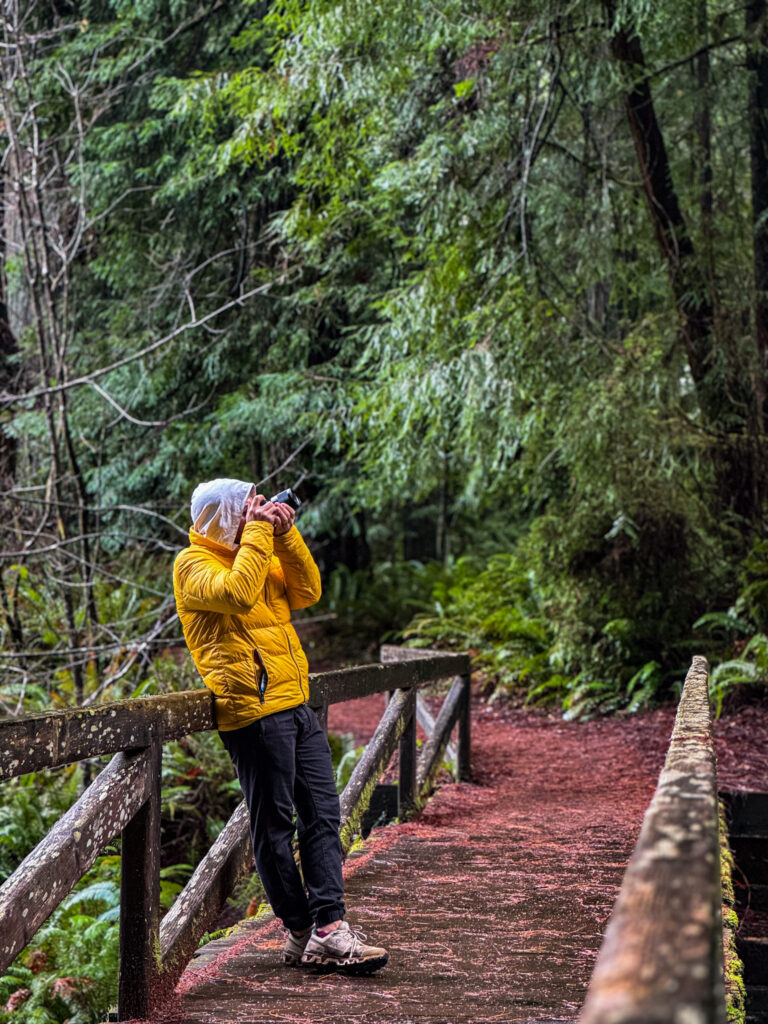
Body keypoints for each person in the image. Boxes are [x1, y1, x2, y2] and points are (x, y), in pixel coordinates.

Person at [172, 478, 388, 973]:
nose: (258, 510)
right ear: (225, 515)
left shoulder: (260, 548)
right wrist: (256, 534)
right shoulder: (193, 565)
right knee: (273, 829)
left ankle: (330, 929)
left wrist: (285, 535)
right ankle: (300, 928)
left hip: (294, 701)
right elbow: (240, 595)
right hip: (252, 710)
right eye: (247, 506)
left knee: (323, 816)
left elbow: (308, 591)